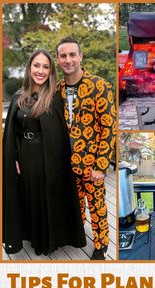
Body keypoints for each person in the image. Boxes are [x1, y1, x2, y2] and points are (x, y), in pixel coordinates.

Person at [3, 49, 86, 256]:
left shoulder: (55, 98)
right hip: (27, 157)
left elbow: (60, 133)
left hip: (51, 158)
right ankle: (34, 237)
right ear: (30, 67)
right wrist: (13, 156)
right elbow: (12, 132)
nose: (40, 71)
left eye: (46, 67)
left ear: (51, 72)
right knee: (32, 196)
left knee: (49, 197)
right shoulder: (17, 98)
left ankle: (51, 240)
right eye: (37, 65)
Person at [56, 37, 116, 260]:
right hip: (66, 163)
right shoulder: (57, 89)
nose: (68, 60)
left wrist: (101, 165)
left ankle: (101, 244)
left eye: (72, 54)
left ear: (80, 56)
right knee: (75, 203)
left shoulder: (99, 85)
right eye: (63, 56)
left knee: (97, 206)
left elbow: (109, 128)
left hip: (92, 163)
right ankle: (77, 233)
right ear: (58, 60)